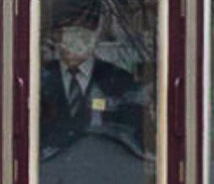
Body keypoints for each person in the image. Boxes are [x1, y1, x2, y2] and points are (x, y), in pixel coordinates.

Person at [39, 14, 144, 153]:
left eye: (81, 34)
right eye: (66, 34)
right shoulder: (39, 78)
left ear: (94, 40)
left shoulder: (119, 79)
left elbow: (131, 125)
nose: (72, 41)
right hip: (48, 160)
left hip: (105, 158)